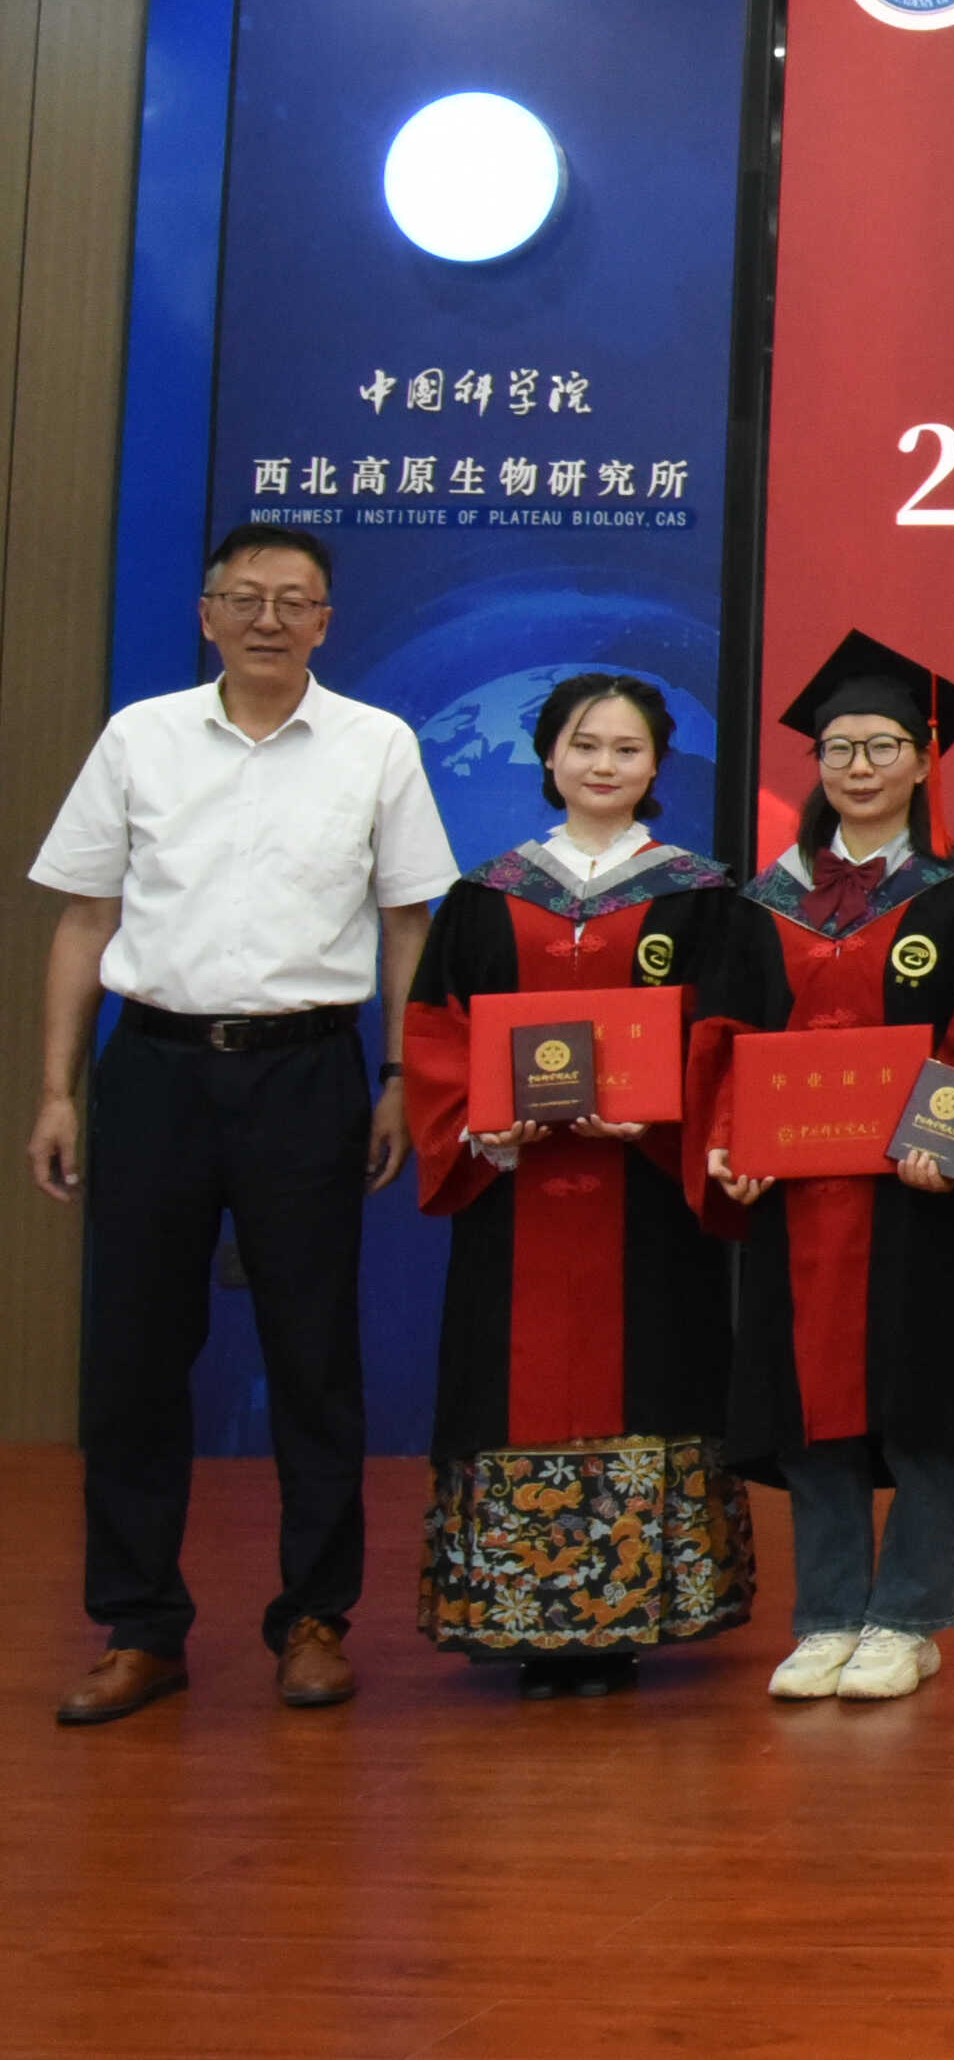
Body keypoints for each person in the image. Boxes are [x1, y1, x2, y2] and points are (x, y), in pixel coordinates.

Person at [31, 523, 457, 1724]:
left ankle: (314, 1620)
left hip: (308, 1074)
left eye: (294, 601)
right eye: (246, 597)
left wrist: (398, 1076)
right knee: (133, 1359)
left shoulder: (376, 744)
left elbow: (409, 925)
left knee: (314, 1357)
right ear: (207, 613)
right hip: (154, 1072)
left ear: (327, 622)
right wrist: (59, 1090)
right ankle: (139, 1627)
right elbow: (84, 918)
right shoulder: (141, 737)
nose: (269, 619)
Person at [398, 672, 752, 1696]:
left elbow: (726, 1038)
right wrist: (484, 1123)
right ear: (549, 756)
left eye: (627, 749)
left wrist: (665, 1111)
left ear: (657, 764)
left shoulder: (699, 894)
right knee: (512, 1372)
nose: (604, 765)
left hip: (647, 1200)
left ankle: (632, 1614)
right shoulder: (486, 895)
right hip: (514, 1194)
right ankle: (518, 1616)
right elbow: (437, 1036)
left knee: (650, 1367)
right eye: (584, 745)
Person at [698, 633, 954, 1703]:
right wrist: (734, 1139)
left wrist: (946, 1138)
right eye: (839, 748)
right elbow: (727, 1037)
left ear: (924, 760)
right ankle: (829, 1615)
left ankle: (908, 1617)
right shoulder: (763, 901)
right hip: (797, 1197)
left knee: (922, 1402)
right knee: (811, 1403)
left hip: (916, 1195)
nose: (860, 766)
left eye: (883, 746)